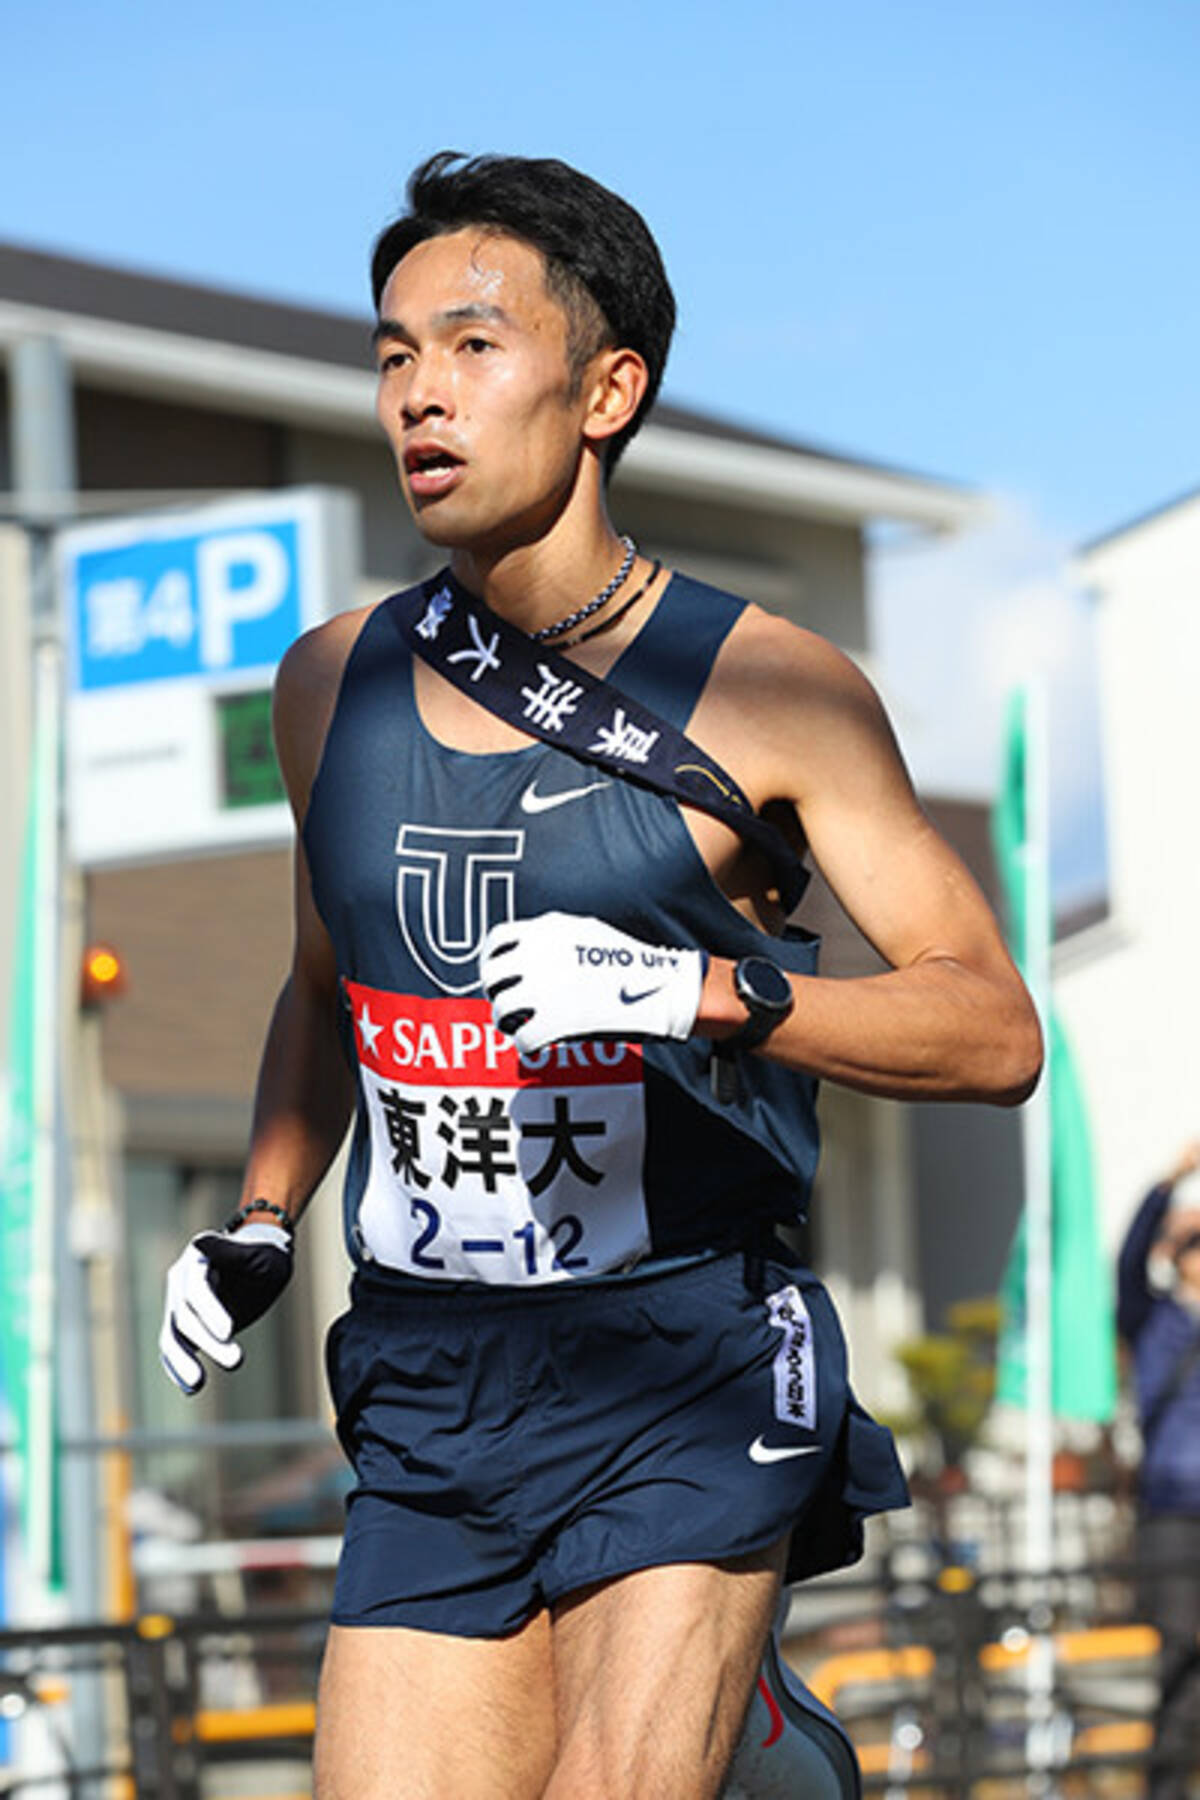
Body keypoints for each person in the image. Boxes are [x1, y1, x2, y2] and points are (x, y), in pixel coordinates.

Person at [159, 151, 1041, 1799]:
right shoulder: (328, 685)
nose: (418, 394)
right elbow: (322, 988)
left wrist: (689, 994)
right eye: (393, 354)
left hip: (684, 1362)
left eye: (472, 345)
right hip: (433, 1372)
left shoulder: (773, 686)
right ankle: (766, 1758)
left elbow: (992, 1027)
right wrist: (261, 1215)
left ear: (607, 391)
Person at [1118, 1140, 1200, 1800]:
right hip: (1172, 1507)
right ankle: (1165, 1788)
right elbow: (1128, 1259)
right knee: (1179, 1650)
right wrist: (1170, 1179)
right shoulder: (1153, 1321)